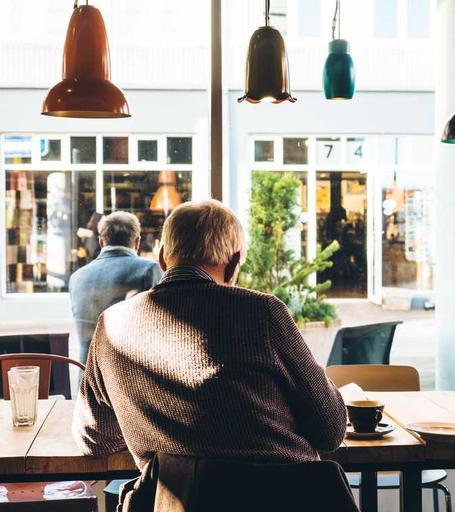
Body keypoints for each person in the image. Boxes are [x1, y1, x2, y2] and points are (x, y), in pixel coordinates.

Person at [73, 199, 347, 479]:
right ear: (233, 264)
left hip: (174, 503)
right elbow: (330, 430)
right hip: (283, 497)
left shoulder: (111, 324)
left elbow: (95, 439)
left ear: (163, 257)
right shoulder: (262, 313)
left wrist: (151, 425)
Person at [69, 211, 162, 365]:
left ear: (101, 242)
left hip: (86, 379)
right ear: (137, 242)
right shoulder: (149, 270)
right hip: (128, 379)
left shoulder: (77, 277)